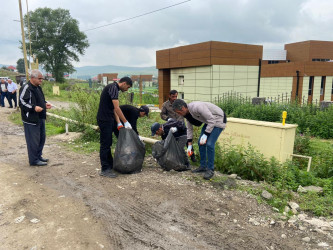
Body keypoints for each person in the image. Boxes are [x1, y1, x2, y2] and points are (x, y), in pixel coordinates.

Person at [172, 99, 227, 180]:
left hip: (218, 119)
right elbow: (189, 129)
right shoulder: (187, 114)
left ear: (183, 108)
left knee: (209, 144)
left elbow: (212, 120)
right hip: (209, 122)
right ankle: (203, 166)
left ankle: (210, 169)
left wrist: (206, 134)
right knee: (200, 143)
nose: (179, 114)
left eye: (178, 112)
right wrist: (189, 144)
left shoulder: (197, 107)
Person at [96, 77, 133, 178]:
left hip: (109, 118)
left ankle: (110, 165)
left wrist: (118, 122)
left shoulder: (114, 89)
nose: (127, 89)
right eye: (127, 87)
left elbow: (113, 109)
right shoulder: (113, 88)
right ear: (124, 83)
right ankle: (105, 169)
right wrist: (125, 122)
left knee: (109, 142)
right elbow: (117, 108)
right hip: (104, 119)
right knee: (105, 144)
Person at [19, 70, 52, 166]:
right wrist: (34, 108)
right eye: (39, 78)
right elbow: (22, 103)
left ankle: (38, 156)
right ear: (32, 78)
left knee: (41, 138)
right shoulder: (26, 88)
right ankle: (33, 160)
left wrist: (45, 104)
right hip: (31, 120)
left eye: (42, 78)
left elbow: (41, 99)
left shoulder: (38, 88)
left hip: (40, 117)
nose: (41, 80)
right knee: (33, 141)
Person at [160, 89, 196, 162]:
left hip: (181, 125)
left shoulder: (180, 103)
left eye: (176, 96)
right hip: (171, 126)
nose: (174, 98)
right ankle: (169, 157)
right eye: (173, 96)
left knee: (187, 141)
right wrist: (168, 119)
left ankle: (192, 157)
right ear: (169, 96)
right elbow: (162, 114)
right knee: (168, 141)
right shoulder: (165, 105)